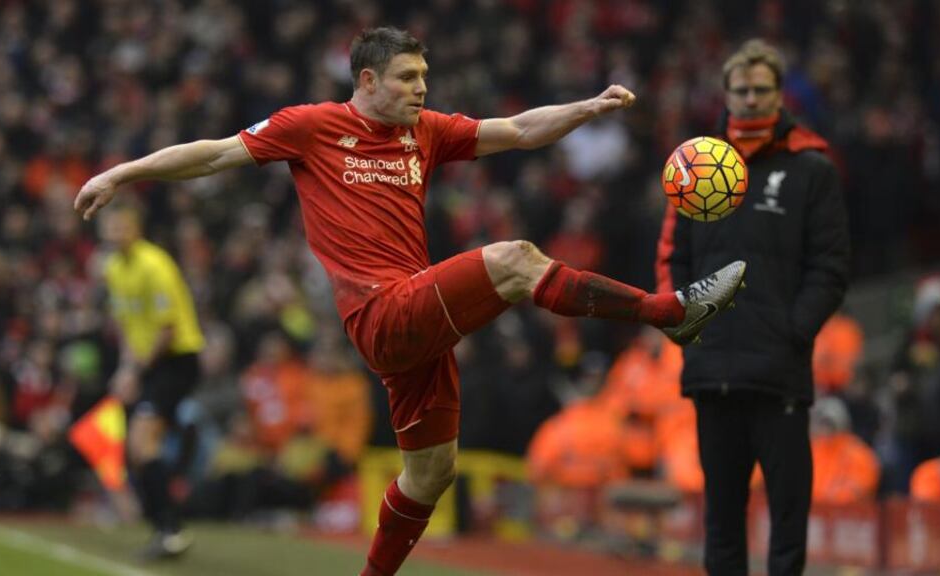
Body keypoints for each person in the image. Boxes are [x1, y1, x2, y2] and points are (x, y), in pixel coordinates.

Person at [76, 27, 745, 576]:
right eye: (407, 78)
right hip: (380, 313)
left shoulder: (425, 131)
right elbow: (212, 154)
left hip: (417, 316)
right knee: (515, 259)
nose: (422, 88)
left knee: (431, 474)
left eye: (424, 76)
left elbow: (516, 130)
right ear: (367, 80)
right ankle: (669, 314)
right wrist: (122, 173)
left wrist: (586, 109)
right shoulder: (311, 126)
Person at [656, 39, 850, 575]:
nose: (750, 99)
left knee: (788, 516)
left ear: (780, 94)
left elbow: (831, 267)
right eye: (740, 90)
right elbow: (673, 257)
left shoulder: (812, 169)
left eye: (761, 89)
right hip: (712, 367)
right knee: (720, 519)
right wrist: (689, 329)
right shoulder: (696, 167)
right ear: (725, 94)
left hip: (778, 370)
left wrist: (793, 331)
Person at [99, 203, 204, 560]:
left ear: (136, 228)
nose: (115, 234)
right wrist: (124, 369)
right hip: (147, 363)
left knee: (143, 443)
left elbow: (167, 329)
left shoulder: (155, 264)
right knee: (138, 449)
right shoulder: (113, 269)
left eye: (122, 227)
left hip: (177, 360)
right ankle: (165, 527)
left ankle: (171, 529)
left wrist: (135, 372)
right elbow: (128, 327)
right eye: (110, 228)